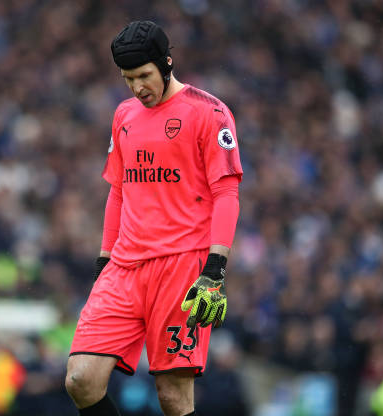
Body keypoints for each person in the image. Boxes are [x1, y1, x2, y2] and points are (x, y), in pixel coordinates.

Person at [65, 20, 243, 416]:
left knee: (172, 397)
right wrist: (103, 258)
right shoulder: (124, 115)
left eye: (144, 76)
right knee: (81, 379)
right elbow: (118, 190)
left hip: (183, 267)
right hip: (124, 267)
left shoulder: (209, 113)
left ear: (166, 63)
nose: (137, 87)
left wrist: (215, 269)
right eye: (128, 79)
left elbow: (226, 194)